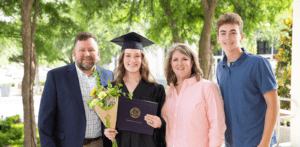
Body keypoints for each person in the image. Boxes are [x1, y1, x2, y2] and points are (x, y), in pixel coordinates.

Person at [38, 32, 114, 147]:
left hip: (101, 143)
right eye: (82, 50)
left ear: (98, 54)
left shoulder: (108, 76)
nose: (87, 54)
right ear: (74, 53)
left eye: (91, 50)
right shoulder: (56, 76)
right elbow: (45, 122)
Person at [215, 12, 279, 147]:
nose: (228, 37)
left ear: (241, 37)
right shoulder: (220, 68)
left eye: (233, 32)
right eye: (223, 33)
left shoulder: (258, 64)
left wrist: (265, 143)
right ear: (218, 38)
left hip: (258, 142)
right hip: (232, 143)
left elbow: (273, 104)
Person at [103, 32, 166, 147]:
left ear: (142, 59)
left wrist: (160, 123)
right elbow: (106, 122)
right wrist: (107, 132)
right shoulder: (110, 90)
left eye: (137, 56)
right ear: (122, 58)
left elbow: (165, 121)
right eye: (128, 55)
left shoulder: (156, 90)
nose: (132, 60)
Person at [161, 43, 226, 147]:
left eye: (184, 59)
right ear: (170, 64)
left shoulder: (207, 88)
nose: (179, 63)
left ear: (192, 63)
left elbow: (217, 126)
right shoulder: (167, 92)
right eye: (175, 60)